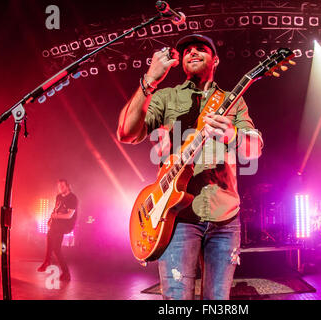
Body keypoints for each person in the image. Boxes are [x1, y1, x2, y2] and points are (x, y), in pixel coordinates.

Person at [117, 34, 263, 299]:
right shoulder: (165, 97)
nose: (192, 52)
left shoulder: (234, 100)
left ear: (215, 59)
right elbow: (126, 133)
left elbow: (254, 149)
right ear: (181, 62)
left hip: (225, 217)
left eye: (201, 49)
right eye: (186, 51)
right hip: (177, 217)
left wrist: (233, 135)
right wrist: (149, 80)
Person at [37, 179, 78, 281]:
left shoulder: (72, 198)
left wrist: (56, 216)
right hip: (57, 224)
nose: (60, 188)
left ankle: (47, 261)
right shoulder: (58, 197)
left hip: (67, 225)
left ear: (68, 186)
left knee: (52, 235)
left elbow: (69, 215)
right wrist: (51, 219)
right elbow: (56, 210)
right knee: (56, 249)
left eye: (63, 186)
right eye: (59, 186)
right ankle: (65, 273)